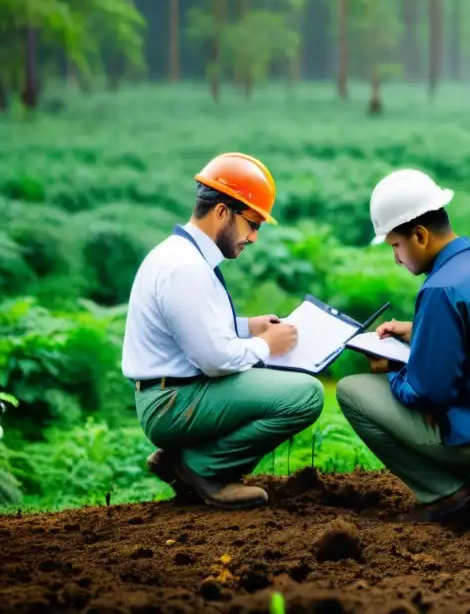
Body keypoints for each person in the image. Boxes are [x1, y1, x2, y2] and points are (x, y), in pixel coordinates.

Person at [335, 168, 470, 524]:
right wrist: (419, 330)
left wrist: (393, 369)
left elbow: (427, 394)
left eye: (395, 245)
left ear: (419, 236)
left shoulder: (440, 289)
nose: (395, 257)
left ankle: (446, 495)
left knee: (350, 391)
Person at [122, 152, 324, 509]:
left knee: (276, 377)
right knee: (306, 395)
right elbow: (215, 359)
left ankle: (181, 460)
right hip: (172, 403)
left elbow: (192, 329)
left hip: (175, 392)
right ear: (221, 212)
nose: (255, 237)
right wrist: (265, 345)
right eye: (252, 223)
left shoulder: (182, 256)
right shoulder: (184, 268)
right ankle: (204, 470)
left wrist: (249, 327)